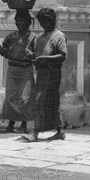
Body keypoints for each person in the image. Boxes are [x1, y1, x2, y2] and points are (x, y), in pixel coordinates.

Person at [23, 8, 67, 142]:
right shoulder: (39, 37)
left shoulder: (59, 36)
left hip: (52, 73)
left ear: (52, 20)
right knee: (52, 103)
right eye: (41, 22)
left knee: (40, 101)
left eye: (45, 22)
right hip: (40, 72)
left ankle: (34, 132)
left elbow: (62, 55)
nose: (43, 25)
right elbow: (29, 50)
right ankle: (59, 131)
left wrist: (46, 59)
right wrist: (29, 53)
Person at [0, 10, 36, 134]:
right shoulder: (10, 37)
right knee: (10, 97)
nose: (20, 23)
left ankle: (23, 124)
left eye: (23, 21)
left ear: (28, 22)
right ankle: (11, 123)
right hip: (12, 71)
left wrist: (31, 55)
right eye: (18, 21)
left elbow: (36, 55)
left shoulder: (33, 38)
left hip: (25, 70)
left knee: (25, 98)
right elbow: (3, 53)